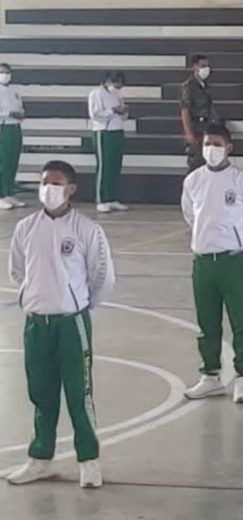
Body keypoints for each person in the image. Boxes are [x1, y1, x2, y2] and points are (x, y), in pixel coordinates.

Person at [6, 160, 115, 488]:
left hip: (71, 324)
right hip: (36, 325)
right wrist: (35, 297)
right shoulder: (26, 228)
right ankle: (40, 459)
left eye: (56, 183)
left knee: (79, 394)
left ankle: (89, 460)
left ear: (70, 189)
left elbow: (101, 276)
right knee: (41, 393)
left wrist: (77, 304)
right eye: (44, 183)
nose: (48, 189)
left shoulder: (87, 229)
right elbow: (17, 270)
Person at [181, 125, 243, 404]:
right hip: (203, 262)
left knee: (240, 320)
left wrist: (234, 234)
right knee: (207, 321)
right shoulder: (193, 181)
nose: (211, 149)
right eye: (208, 143)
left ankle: (242, 377)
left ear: (229, 148)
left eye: (217, 144)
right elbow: (190, 215)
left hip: (233, 260)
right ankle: (210, 376)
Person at [88, 71, 129, 214]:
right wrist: (113, 110)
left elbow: (124, 116)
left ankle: (112, 197)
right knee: (104, 166)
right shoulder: (96, 93)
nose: (118, 86)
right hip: (103, 131)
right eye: (117, 83)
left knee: (115, 166)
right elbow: (94, 114)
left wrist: (123, 111)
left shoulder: (118, 94)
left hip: (117, 130)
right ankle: (101, 199)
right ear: (109, 81)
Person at [180, 55, 218, 172]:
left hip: (206, 126)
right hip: (195, 126)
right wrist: (189, 133)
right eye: (203, 66)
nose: (206, 69)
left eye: (207, 66)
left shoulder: (205, 85)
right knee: (196, 163)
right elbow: (185, 110)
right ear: (194, 67)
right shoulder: (188, 86)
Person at [0, 63, 25, 210]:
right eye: (2, 72)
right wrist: (9, 114)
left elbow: (20, 107)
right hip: (3, 126)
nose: (5, 75)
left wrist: (20, 114)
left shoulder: (15, 90)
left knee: (12, 160)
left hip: (15, 126)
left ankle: (8, 192)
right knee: (2, 161)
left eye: (7, 72)